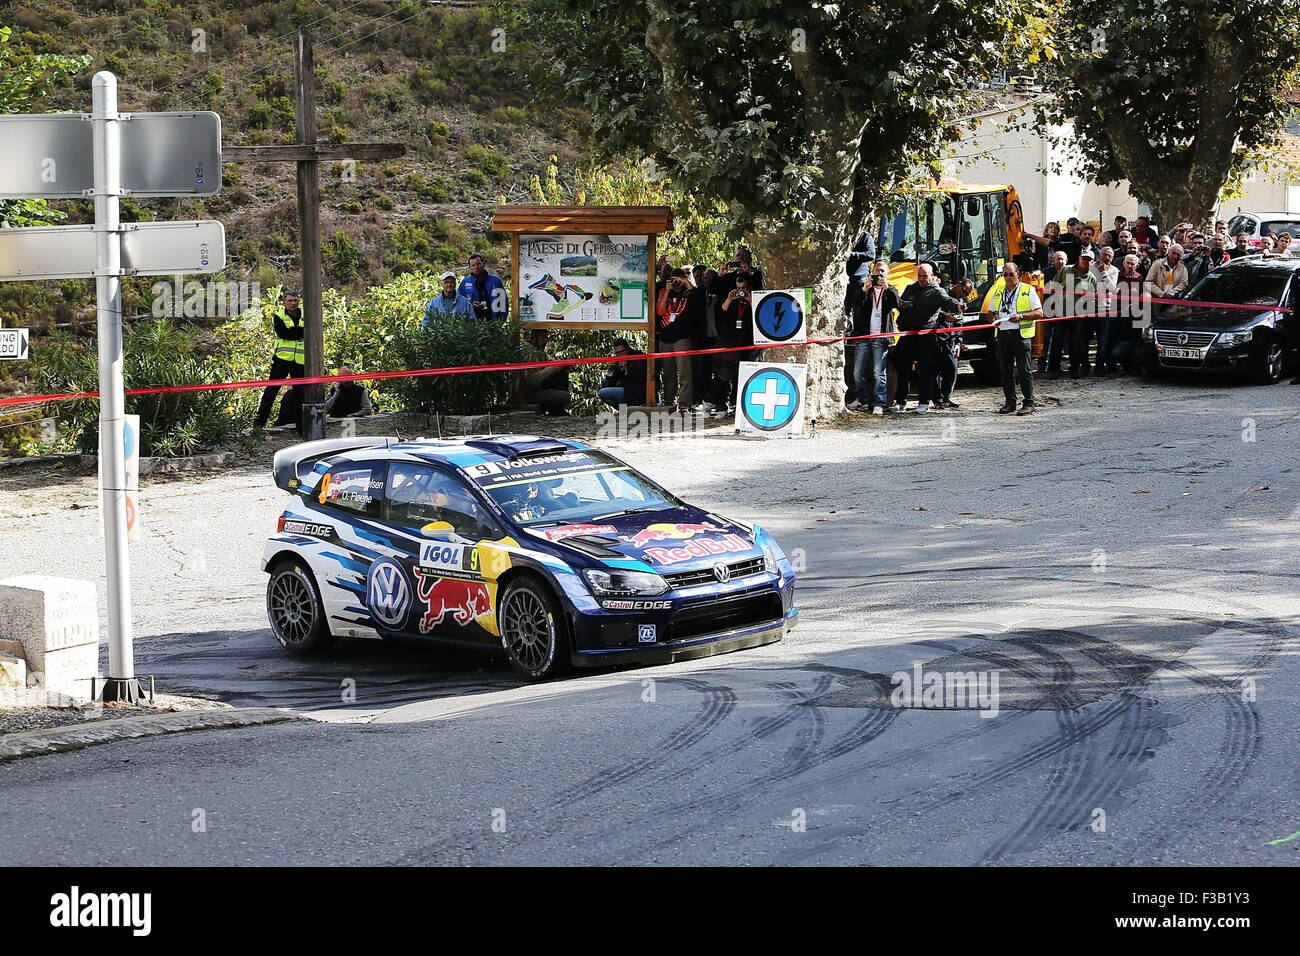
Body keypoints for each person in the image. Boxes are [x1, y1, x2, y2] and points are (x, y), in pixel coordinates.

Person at [895, 261, 965, 413]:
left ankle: (924, 402)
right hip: (908, 334)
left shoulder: (937, 291)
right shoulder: (911, 288)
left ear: (932, 276)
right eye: (919, 275)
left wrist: (958, 307)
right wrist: (903, 305)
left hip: (926, 336)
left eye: (925, 276)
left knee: (926, 371)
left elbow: (949, 301)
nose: (921, 278)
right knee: (903, 369)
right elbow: (900, 302)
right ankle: (900, 401)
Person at [984, 262, 1043, 415]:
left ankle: (1029, 403)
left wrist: (1022, 317)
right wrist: (993, 317)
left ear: (1018, 274)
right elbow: (988, 313)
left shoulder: (1027, 290)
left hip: (1021, 334)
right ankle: (1010, 402)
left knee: (1024, 370)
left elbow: (1039, 313)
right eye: (1005, 275)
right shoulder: (998, 291)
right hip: (1003, 334)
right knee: (1005, 371)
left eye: (1011, 274)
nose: (1008, 278)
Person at [846, 260, 899, 414]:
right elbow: (856, 303)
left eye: (883, 271)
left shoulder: (891, 289)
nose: (879, 274)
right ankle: (862, 400)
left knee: (879, 372)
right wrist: (864, 289)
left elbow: (896, 303)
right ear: (872, 272)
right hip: (864, 335)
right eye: (877, 271)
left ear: (888, 273)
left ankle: (879, 403)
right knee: (857, 372)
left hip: (881, 337)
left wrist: (887, 287)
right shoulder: (867, 289)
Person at [701, 271, 757, 415]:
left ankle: (709, 399)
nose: (740, 292)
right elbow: (720, 313)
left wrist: (750, 299)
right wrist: (730, 298)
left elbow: (758, 315)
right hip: (725, 339)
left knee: (729, 371)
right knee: (720, 371)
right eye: (738, 288)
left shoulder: (754, 300)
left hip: (743, 342)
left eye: (743, 289)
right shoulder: (730, 299)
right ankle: (719, 405)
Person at [253, 289, 307, 430]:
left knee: (300, 393)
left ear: (298, 301)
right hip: (282, 359)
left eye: (295, 300)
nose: (293, 303)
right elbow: (284, 334)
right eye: (290, 300)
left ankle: (301, 426)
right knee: (271, 391)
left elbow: (309, 331)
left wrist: (295, 332)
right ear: (284, 302)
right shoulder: (278, 316)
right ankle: (258, 425)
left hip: (300, 361)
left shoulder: (306, 315)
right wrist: (300, 331)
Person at [656, 268, 698, 412]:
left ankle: (685, 403)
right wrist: (667, 291)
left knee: (684, 372)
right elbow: (660, 311)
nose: (675, 283)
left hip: (682, 337)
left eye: (678, 280)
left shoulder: (688, 293)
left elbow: (698, 300)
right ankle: (669, 401)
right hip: (665, 337)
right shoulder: (663, 291)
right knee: (668, 372)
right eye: (673, 280)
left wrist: (687, 283)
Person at [521, 329, 571, 415]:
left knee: (561, 373)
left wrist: (565, 364)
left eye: (546, 338)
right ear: (533, 338)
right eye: (543, 338)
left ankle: (556, 410)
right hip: (528, 393)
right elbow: (530, 380)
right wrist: (551, 369)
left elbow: (552, 361)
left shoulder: (539, 352)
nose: (546, 341)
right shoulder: (526, 352)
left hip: (539, 389)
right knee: (564, 396)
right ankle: (555, 410)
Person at [457, 253, 508, 321]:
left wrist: (501, 321)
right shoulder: (465, 282)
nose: (476, 267)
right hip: (472, 323)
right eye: (473, 265)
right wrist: (471, 304)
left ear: (483, 264)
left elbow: (503, 302)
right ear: (470, 268)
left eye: (478, 264)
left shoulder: (495, 281)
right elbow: (459, 302)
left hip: (493, 322)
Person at [598, 339, 647, 407]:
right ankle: (624, 410)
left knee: (602, 393)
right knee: (605, 382)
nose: (620, 354)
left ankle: (629, 408)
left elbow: (642, 377)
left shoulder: (638, 357)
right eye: (617, 353)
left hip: (636, 391)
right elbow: (612, 382)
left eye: (622, 351)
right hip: (625, 388)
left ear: (628, 349)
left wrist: (627, 369)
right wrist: (610, 370)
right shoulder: (618, 359)